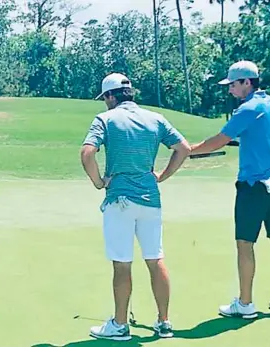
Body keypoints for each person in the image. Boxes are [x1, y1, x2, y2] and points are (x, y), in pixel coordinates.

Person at [81, 73, 191, 340]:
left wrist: (99, 182)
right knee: (155, 259)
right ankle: (164, 322)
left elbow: (87, 153)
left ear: (110, 96)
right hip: (150, 200)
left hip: (119, 200)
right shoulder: (155, 118)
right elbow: (184, 148)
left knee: (122, 264)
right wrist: (162, 176)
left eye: (104, 98)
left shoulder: (105, 119)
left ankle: (119, 325)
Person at [190, 61, 270, 319]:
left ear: (247, 82)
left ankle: (246, 304)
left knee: (244, 244)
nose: (229, 90)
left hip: (252, 187)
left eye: (233, 85)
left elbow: (219, 140)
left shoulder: (247, 109)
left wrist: (187, 150)